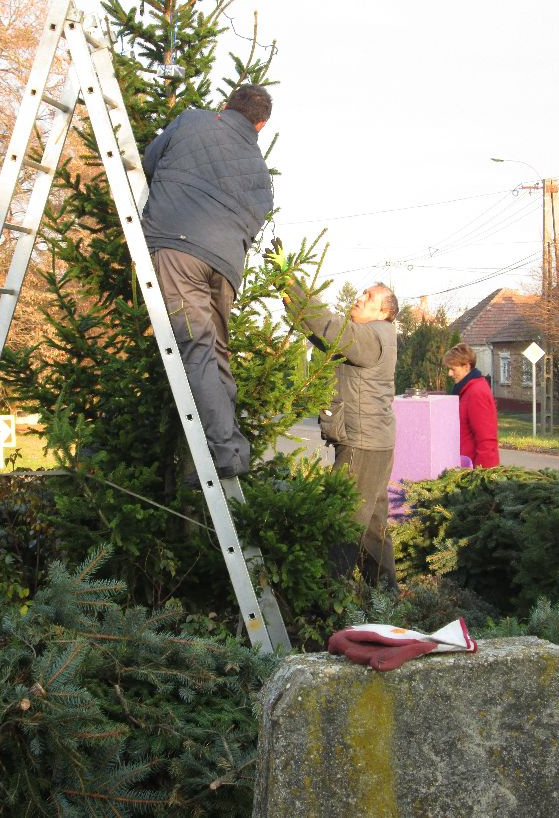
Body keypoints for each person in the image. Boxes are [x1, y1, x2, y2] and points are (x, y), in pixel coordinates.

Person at [142, 85, 273, 479]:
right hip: (226, 266)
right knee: (215, 353)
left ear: (225, 105)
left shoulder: (193, 120)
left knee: (197, 348)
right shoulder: (262, 173)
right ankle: (231, 442)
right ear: (260, 125)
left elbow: (148, 164)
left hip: (179, 248)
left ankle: (225, 452)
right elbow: (256, 220)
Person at [288, 280, 399, 590]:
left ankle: (327, 602)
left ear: (384, 311)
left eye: (369, 296)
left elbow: (330, 327)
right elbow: (327, 338)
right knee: (372, 528)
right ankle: (385, 600)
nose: (360, 298)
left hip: (362, 444)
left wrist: (294, 285)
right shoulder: (377, 336)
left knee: (343, 522)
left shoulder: (372, 335)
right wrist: (294, 305)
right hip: (375, 442)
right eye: (362, 293)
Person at [442, 342, 499, 468]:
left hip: (474, 471)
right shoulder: (464, 390)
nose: (449, 374)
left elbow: (487, 439)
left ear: (467, 367)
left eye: (453, 369)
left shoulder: (476, 392)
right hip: (464, 467)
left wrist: (482, 479)